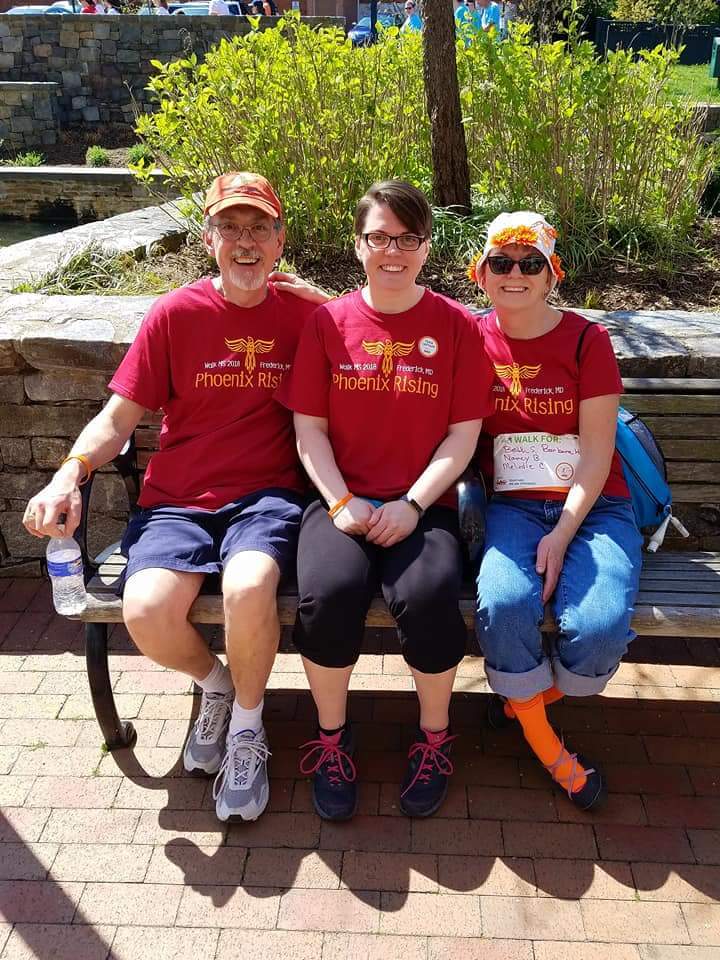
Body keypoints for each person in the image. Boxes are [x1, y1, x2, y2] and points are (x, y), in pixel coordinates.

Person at [23, 173, 329, 824]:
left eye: (259, 228)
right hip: (178, 500)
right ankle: (217, 684)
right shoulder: (174, 314)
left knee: (250, 587)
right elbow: (117, 418)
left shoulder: (305, 315)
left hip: (267, 496)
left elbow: (380, 336)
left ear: (280, 241)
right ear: (209, 238)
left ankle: (248, 728)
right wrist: (68, 472)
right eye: (230, 228)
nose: (245, 242)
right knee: (147, 609)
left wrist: (326, 298)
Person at [276, 180, 495, 821]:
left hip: (425, 506)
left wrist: (414, 505)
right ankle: (332, 739)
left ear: (426, 248)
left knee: (428, 597)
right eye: (379, 238)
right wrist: (341, 502)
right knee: (327, 595)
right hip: (339, 500)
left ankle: (434, 738)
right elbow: (309, 430)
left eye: (406, 239)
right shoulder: (327, 324)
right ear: (358, 245)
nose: (392, 252)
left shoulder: (455, 327)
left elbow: (463, 436)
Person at [470, 211, 643, 811]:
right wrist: (312, 297)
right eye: (501, 262)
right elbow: (391, 316)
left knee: (599, 630)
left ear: (551, 276)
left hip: (595, 506)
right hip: (512, 505)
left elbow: (597, 453)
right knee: (503, 605)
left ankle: (524, 702)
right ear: (482, 274)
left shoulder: (587, 341)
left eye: (531, 264)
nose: (515, 274)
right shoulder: (469, 336)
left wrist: (563, 534)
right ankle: (548, 749)